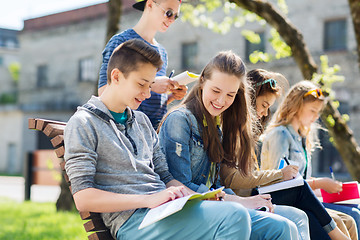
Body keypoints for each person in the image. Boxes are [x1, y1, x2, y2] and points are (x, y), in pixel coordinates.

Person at [64, 39, 260, 240]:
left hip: (166, 211)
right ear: (116, 76)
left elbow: (166, 178)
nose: (148, 94)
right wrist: (148, 199)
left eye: (150, 85)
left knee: (276, 227)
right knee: (234, 217)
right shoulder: (83, 123)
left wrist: (193, 196)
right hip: (134, 221)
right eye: (141, 84)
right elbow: (83, 198)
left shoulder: (140, 121)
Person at [159, 51, 303, 239]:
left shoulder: (215, 124)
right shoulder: (179, 120)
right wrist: (240, 201)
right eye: (216, 91)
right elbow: (181, 186)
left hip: (214, 206)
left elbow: (216, 184)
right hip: (188, 211)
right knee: (281, 226)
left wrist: (245, 200)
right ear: (202, 81)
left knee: (293, 219)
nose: (221, 101)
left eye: (230, 95)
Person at [221, 69, 356, 240]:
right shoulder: (242, 134)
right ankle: (337, 236)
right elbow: (236, 179)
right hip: (248, 197)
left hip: (260, 193)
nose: (264, 113)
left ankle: (337, 235)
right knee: (303, 195)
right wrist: (283, 175)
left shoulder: (247, 135)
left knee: (349, 216)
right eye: (264, 105)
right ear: (248, 99)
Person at [260, 80, 356, 240]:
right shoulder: (280, 134)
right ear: (296, 107)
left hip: (306, 200)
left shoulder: (302, 138)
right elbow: (278, 181)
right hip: (284, 201)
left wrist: (328, 187)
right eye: (312, 111)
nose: (316, 117)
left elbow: (302, 179)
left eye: (318, 112)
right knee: (340, 220)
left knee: (351, 218)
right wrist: (320, 183)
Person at [98, 0, 187, 129]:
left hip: (154, 134)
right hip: (126, 132)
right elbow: (103, 92)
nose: (172, 19)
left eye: (176, 16)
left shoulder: (162, 52)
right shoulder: (121, 42)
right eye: (168, 13)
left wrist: (170, 96)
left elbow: (148, 101)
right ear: (150, 4)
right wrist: (152, 85)